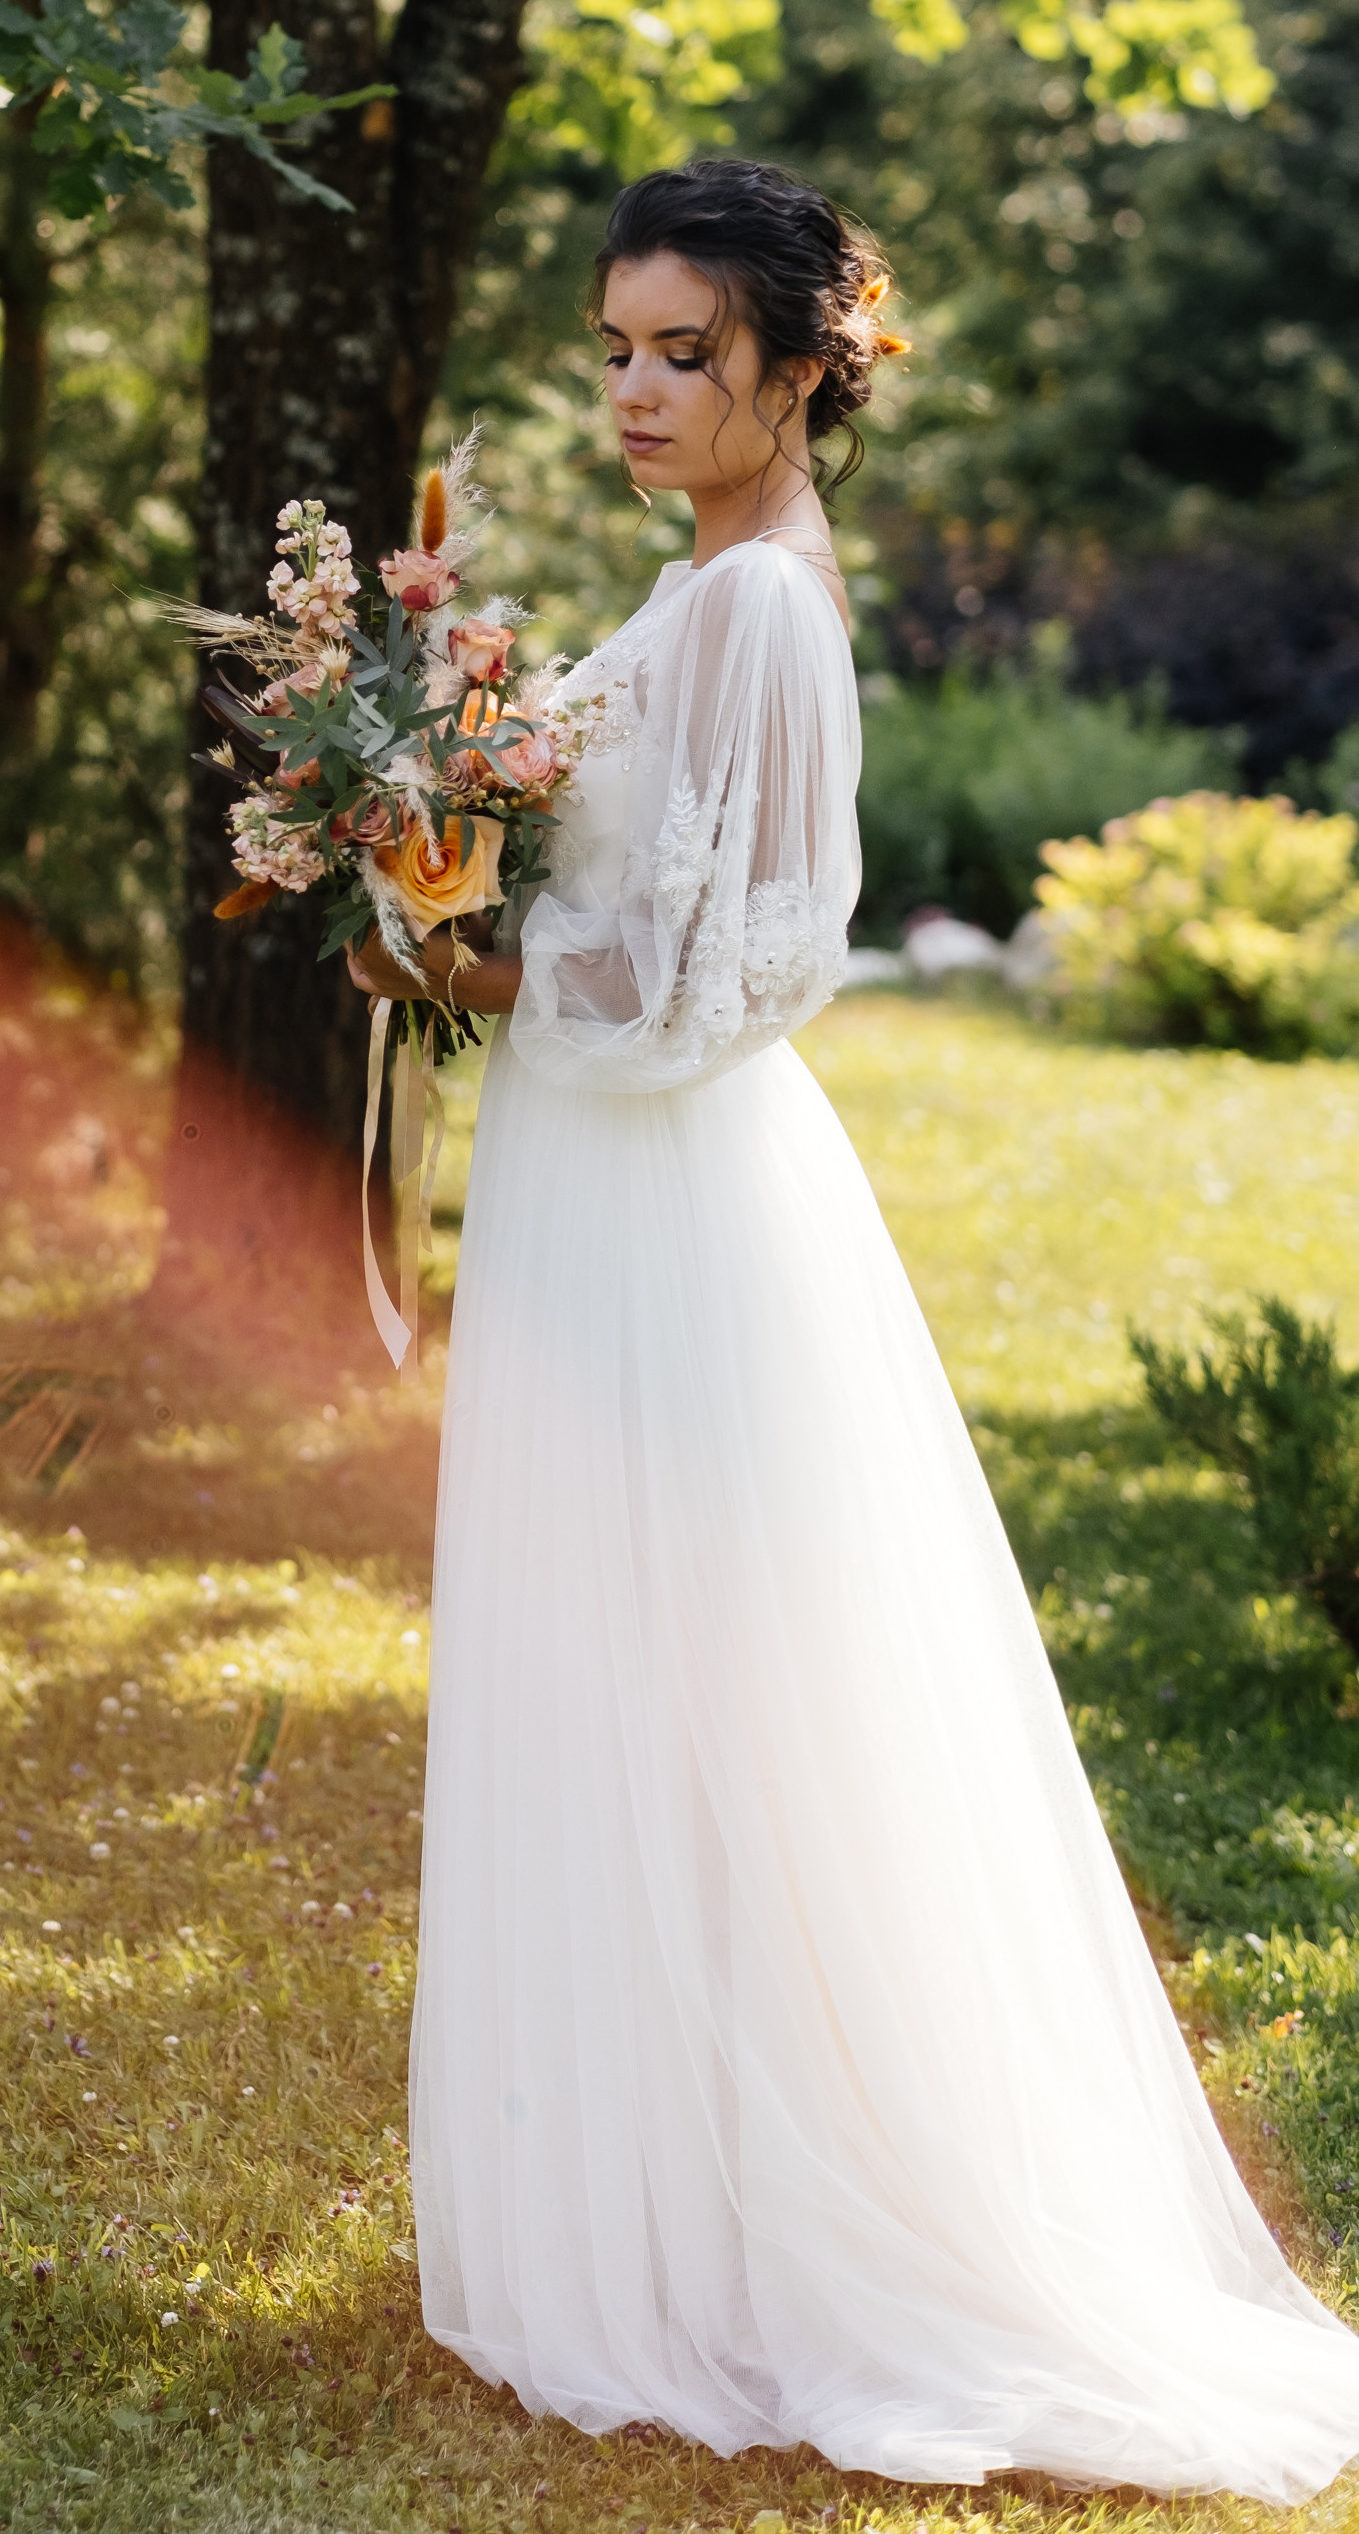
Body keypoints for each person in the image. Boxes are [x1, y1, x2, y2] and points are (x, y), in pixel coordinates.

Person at [346, 154, 1359, 2497]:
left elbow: (741, 967)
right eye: (614, 346)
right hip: (627, 1178)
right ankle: (678, 2196)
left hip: (676, 1189)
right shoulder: (712, 582)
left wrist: (453, 959)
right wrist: (430, 851)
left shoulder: (756, 615)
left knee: (720, 1686)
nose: (633, 388)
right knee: (653, 1681)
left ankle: (770, 2236)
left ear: (809, 364)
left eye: (684, 351)